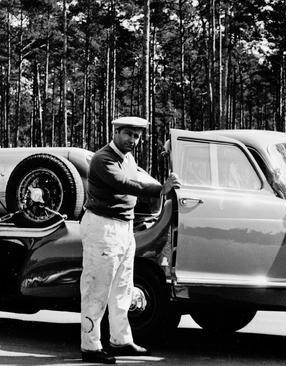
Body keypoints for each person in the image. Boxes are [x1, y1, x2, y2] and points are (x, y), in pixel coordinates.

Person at [79, 116, 180, 364]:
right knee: (97, 289)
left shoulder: (128, 158)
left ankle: (120, 340)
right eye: (128, 134)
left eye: (137, 136)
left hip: (124, 227)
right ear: (115, 132)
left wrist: (166, 157)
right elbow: (124, 184)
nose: (133, 140)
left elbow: (139, 178)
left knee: (122, 288)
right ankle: (90, 346)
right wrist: (160, 189)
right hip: (103, 226)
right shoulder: (103, 159)